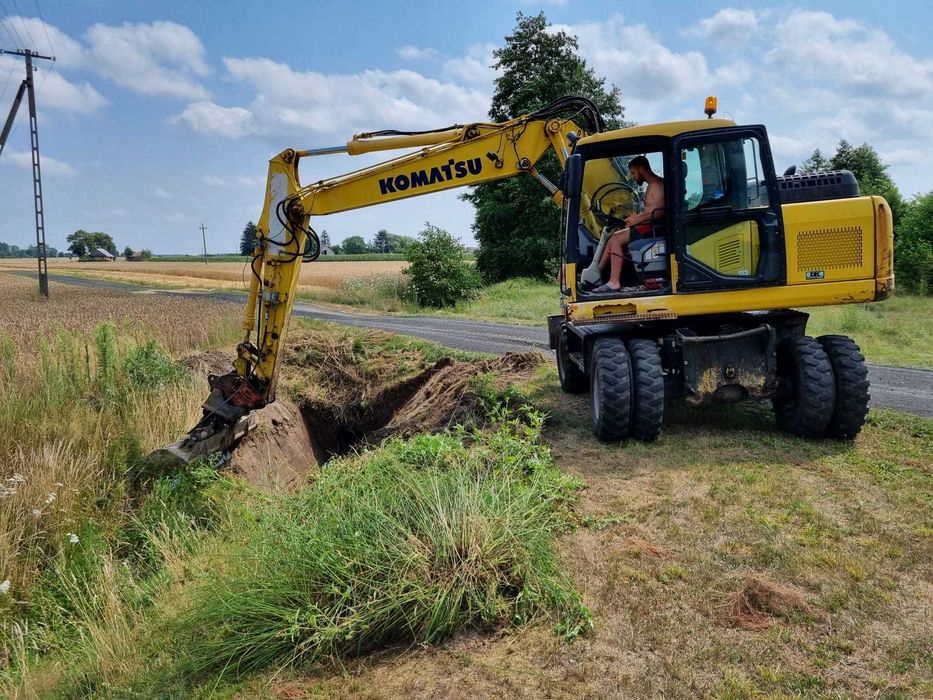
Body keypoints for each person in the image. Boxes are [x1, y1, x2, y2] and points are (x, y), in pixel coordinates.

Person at [594, 155, 664, 292]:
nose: (632, 176)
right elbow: (652, 211)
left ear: (642, 169)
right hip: (648, 226)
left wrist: (638, 219)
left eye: (633, 172)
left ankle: (614, 282)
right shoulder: (652, 185)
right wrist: (637, 217)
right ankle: (595, 276)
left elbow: (662, 212)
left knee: (615, 239)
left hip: (654, 229)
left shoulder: (657, 185)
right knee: (611, 238)